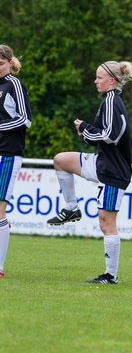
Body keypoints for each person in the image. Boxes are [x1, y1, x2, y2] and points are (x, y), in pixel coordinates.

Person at [47, 60, 132, 284]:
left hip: (113, 171)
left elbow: (111, 135)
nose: (95, 81)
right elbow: (106, 134)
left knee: (106, 223)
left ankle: (110, 276)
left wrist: (85, 129)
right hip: (102, 162)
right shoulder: (108, 101)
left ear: (111, 80)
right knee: (60, 160)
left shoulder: (111, 101)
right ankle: (71, 209)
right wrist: (87, 130)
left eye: (99, 77)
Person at [0, 44, 32, 278]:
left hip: (8, 153)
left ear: (10, 63)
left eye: (1, 63)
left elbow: (25, 120)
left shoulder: (14, 85)